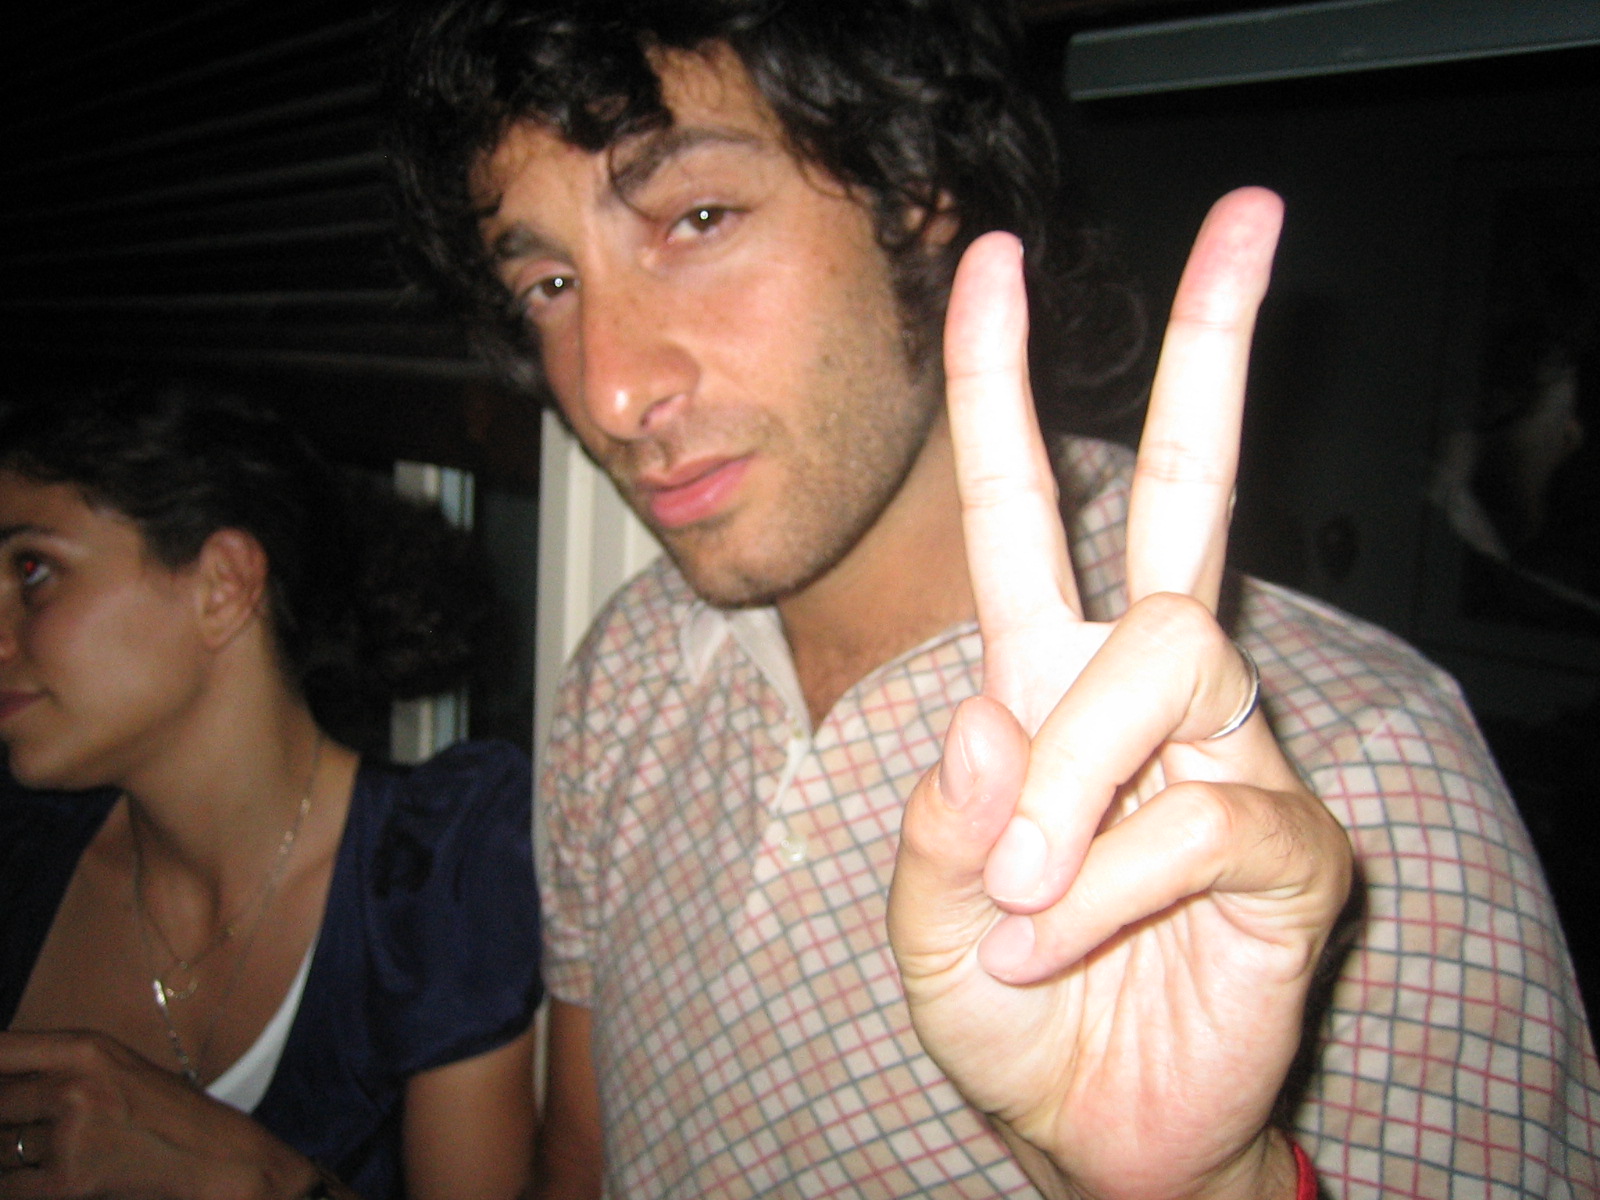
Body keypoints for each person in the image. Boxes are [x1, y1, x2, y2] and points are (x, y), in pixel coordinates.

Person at [387, 1, 1600, 1197]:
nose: (607, 390)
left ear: (917, 193)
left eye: (696, 219)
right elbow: (584, 1161)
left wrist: (1206, 1191)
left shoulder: (1357, 765)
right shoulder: (629, 663)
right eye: (550, 282)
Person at [0, 381, 541, 1200]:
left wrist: (262, 1180)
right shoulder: (23, 845)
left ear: (222, 585)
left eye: (33, 571)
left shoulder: (432, 878)